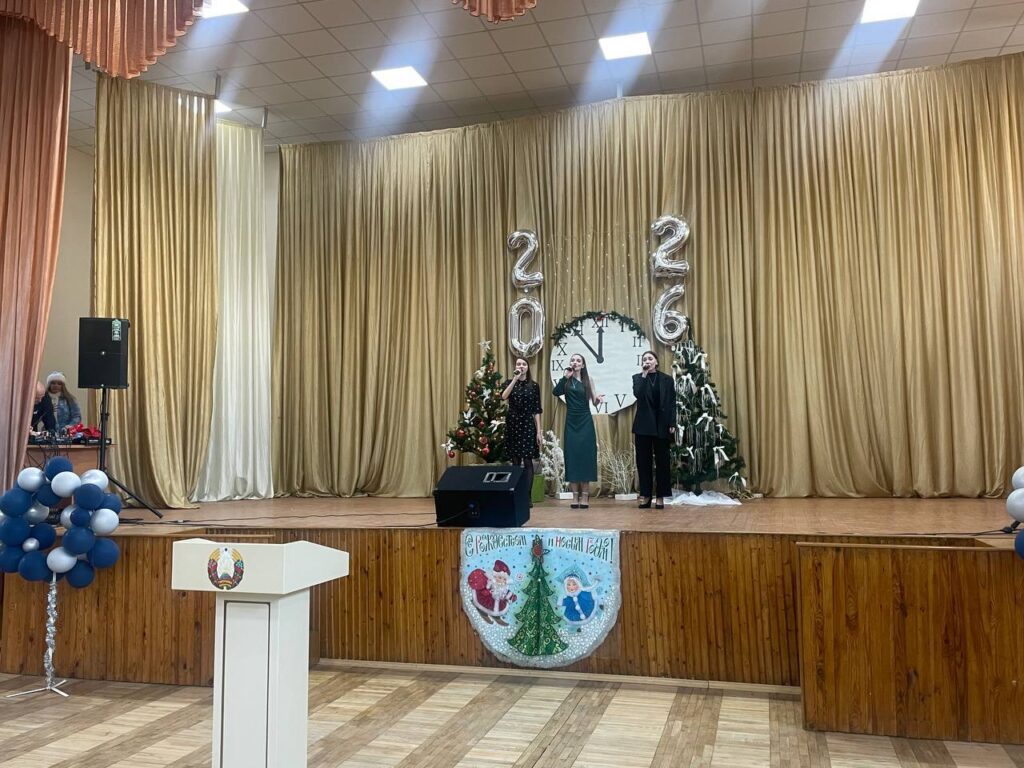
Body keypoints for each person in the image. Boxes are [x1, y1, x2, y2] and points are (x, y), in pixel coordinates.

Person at [553, 353, 604, 509]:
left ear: (583, 365)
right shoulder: (566, 381)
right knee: (572, 457)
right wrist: (564, 377)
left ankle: (585, 496)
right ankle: (575, 496)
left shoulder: (588, 380)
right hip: (571, 421)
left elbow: (594, 402)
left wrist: (598, 399)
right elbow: (556, 392)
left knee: (586, 457)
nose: (575, 362)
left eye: (578, 360)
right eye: (573, 360)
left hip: (585, 420)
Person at [632, 351, 675, 509]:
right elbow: (638, 394)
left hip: (662, 424)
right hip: (643, 425)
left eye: (650, 358)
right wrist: (644, 375)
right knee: (643, 462)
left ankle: (661, 496)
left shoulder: (667, 380)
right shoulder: (638, 378)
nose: (647, 361)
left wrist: (672, 422)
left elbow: (672, 402)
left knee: (662, 462)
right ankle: (646, 495)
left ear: (656, 362)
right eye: (644, 359)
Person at [500, 357, 543, 505]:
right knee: (515, 461)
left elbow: (537, 410)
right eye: (518, 364)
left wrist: (539, 431)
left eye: (524, 364)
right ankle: (516, 495)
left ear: (528, 367)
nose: (521, 366)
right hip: (513, 423)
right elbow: (503, 396)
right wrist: (514, 379)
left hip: (527, 424)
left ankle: (527, 496)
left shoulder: (534, 386)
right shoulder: (509, 382)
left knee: (528, 460)